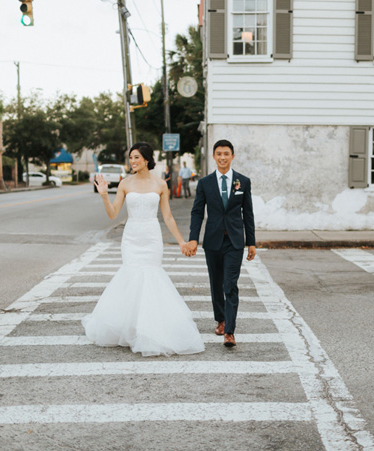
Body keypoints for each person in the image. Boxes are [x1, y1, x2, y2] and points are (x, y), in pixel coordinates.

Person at [81, 143, 204, 357]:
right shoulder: (125, 184)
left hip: (152, 236)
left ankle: (150, 329)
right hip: (131, 237)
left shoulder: (161, 185)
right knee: (132, 275)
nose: (133, 161)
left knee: (151, 276)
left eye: (136, 157)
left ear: (146, 159)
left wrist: (182, 242)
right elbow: (113, 214)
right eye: (131, 158)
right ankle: (130, 328)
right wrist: (103, 195)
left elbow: (167, 217)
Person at [185, 139, 256, 348]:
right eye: (219, 154)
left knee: (230, 284)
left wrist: (251, 242)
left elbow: (248, 213)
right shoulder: (205, 183)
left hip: (234, 241)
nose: (223, 157)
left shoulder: (243, 181)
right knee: (216, 283)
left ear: (232, 156)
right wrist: (193, 239)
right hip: (213, 241)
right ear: (214, 157)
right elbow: (197, 212)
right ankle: (221, 320)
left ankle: (230, 331)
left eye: (226, 153)